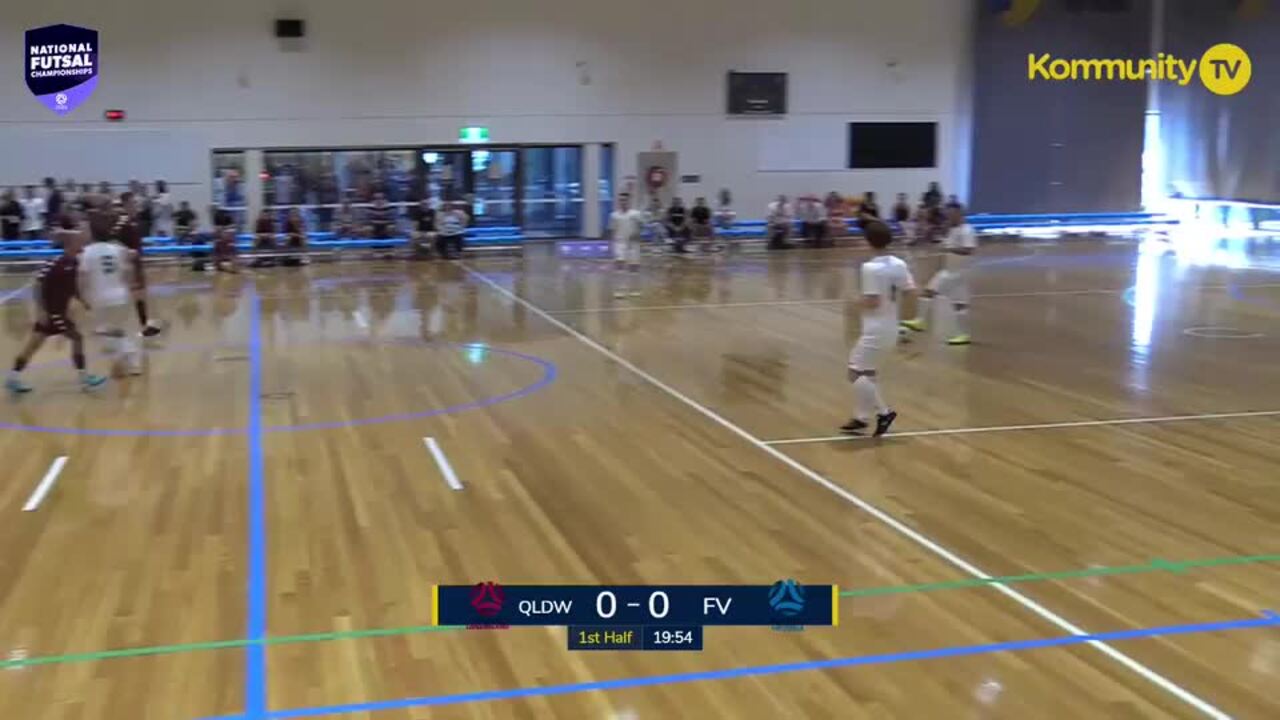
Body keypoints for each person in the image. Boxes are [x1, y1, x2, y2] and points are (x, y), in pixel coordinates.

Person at [6, 214, 108, 394]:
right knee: (77, 338)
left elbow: (72, 287)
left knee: (32, 347)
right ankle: (84, 379)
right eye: (79, 242)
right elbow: (37, 285)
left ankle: (13, 378)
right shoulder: (54, 263)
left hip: (57, 313)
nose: (82, 245)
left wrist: (83, 301)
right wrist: (40, 311)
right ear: (70, 244)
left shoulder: (74, 263)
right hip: (53, 314)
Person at [841, 221, 915, 437]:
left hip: (874, 328)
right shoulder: (899, 264)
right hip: (891, 326)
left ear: (868, 241)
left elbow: (872, 301)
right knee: (869, 372)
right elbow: (911, 291)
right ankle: (861, 418)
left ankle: (884, 412)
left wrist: (854, 301)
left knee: (854, 372)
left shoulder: (870, 268)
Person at [901, 205, 976, 345]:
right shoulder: (954, 229)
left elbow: (968, 250)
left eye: (951, 215)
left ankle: (920, 321)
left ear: (959, 214)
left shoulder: (967, 230)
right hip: (956, 271)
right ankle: (963, 335)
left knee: (928, 292)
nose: (948, 218)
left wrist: (949, 248)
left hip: (954, 272)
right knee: (959, 305)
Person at [81, 214, 142, 375]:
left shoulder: (86, 253)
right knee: (118, 330)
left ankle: (125, 359)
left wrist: (82, 297)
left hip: (100, 298)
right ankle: (132, 362)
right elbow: (130, 265)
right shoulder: (118, 249)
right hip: (120, 295)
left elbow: (83, 278)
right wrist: (130, 285)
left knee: (106, 331)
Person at [113, 193, 164, 337]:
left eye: (136, 203)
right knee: (136, 296)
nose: (136, 205)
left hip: (137, 263)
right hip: (130, 265)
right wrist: (127, 252)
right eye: (133, 203)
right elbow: (113, 242)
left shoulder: (133, 221)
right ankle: (131, 327)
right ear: (125, 204)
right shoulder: (122, 223)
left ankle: (144, 326)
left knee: (140, 296)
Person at [609, 192, 646, 298]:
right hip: (620, 243)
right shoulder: (614, 215)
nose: (623, 202)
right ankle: (620, 290)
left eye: (625, 200)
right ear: (619, 201)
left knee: (634, 267)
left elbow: (642, 225)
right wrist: (611, 244)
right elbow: (612, 230)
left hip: (633, 244)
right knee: (619, 266)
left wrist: (638, 233)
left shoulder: (636, 214)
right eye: (621, 200)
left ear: (629, 201)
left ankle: (634, 289)